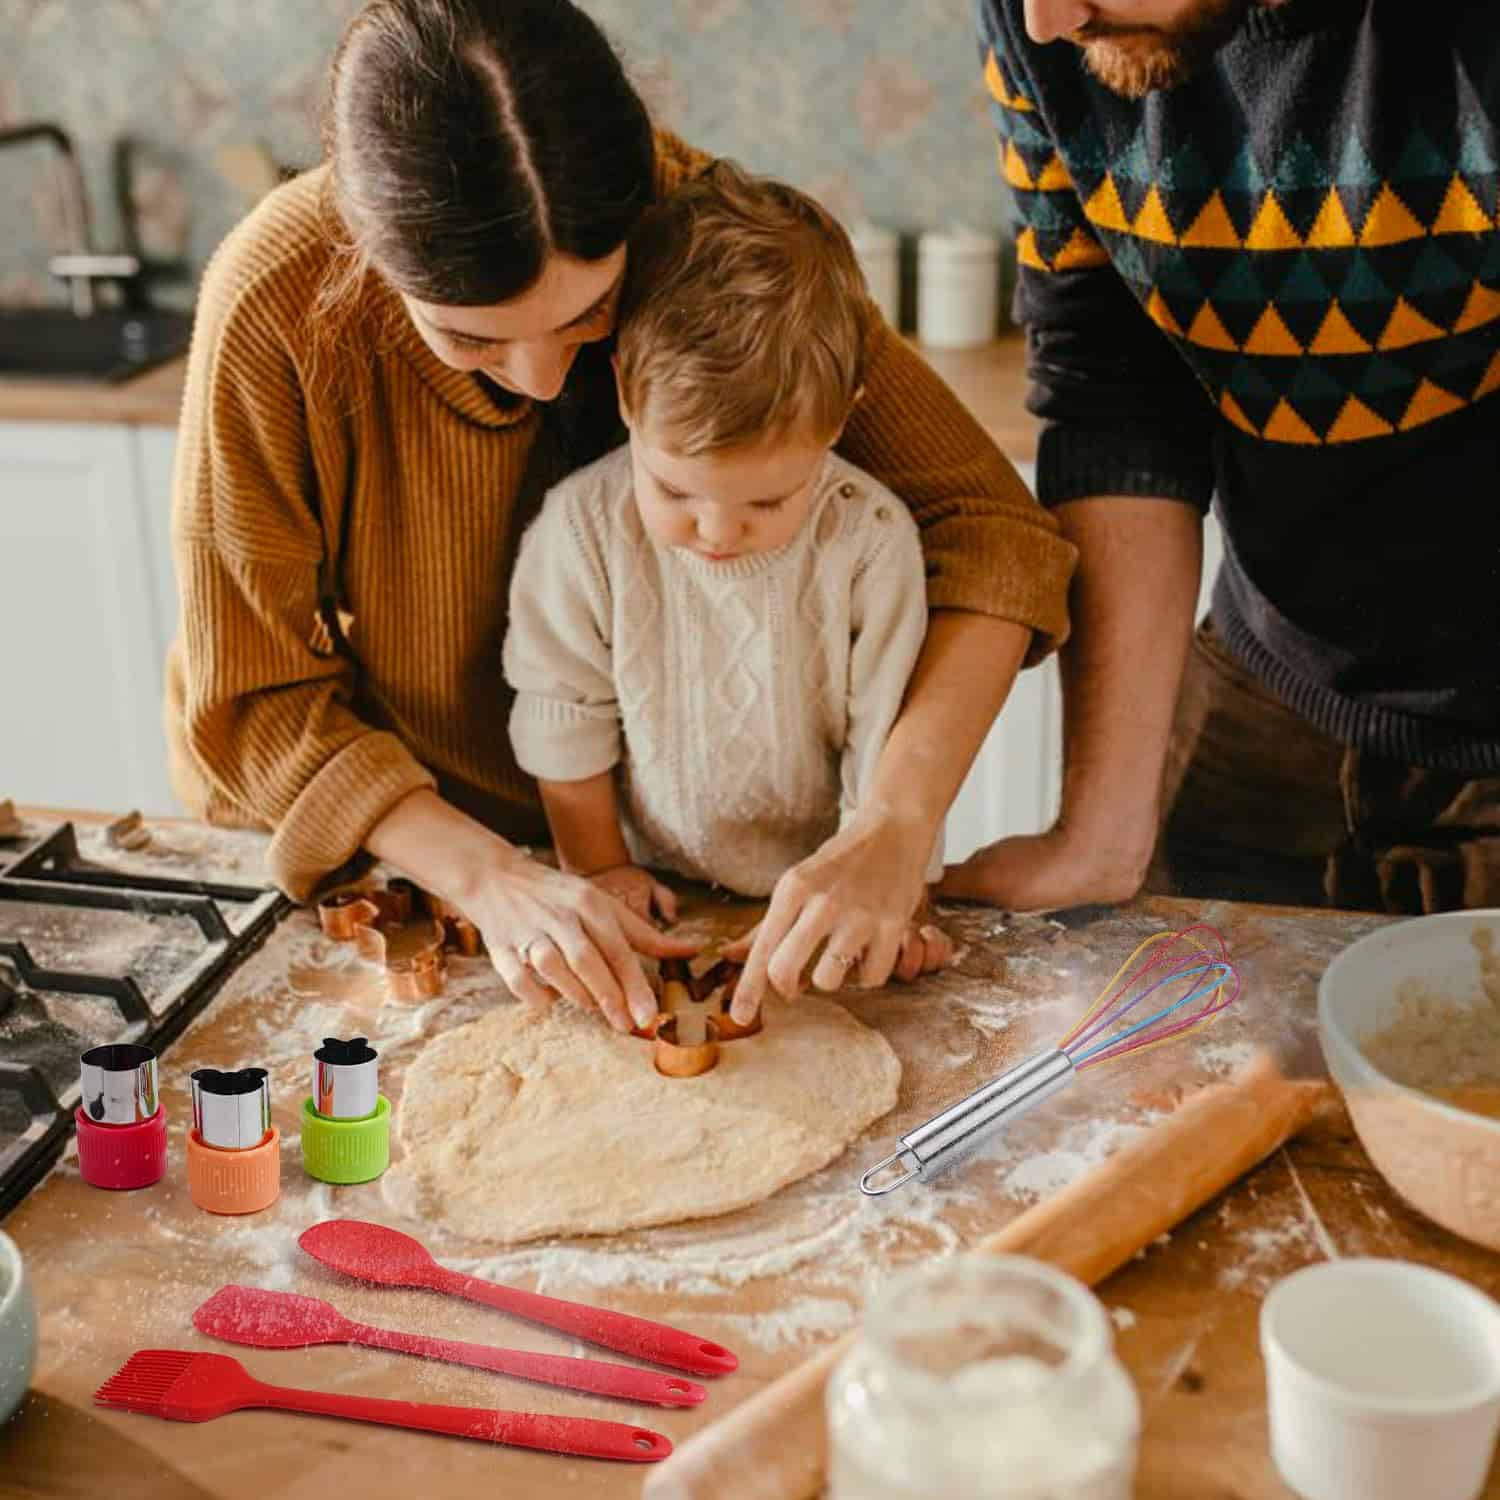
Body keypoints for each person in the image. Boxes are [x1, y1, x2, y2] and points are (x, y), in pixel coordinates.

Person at [163, 0, 1076, 1036]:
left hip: (643, 875)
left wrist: (896, 824)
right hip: (404, 859)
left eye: (590, 317)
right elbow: (257, 700)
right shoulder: (275, 299)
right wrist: (493, 879)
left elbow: (993, 532)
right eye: (470, 340)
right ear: (370, 259)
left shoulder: (706, 232)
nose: (547, 380)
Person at [943, 0, 1500, 918]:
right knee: (1176, 1051)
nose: (1045, 21)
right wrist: (1097, 836)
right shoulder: (1044, 18)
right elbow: (1112, 384)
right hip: (1266, 683)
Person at [503, 162, 956, 1024]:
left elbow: (887, 750)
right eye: (675, 492)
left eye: (766, 502)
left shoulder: (868, 542)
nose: (715, 532)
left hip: (822, 887)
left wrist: (899, 903)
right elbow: (564, 717)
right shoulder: (582, 532)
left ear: (840, 419)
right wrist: (600, 872)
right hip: (656, 881)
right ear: (628, 396)